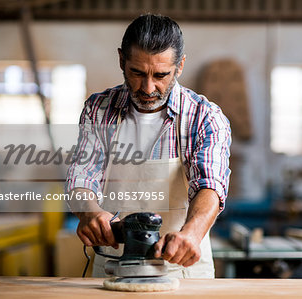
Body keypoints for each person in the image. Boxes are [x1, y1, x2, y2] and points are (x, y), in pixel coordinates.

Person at [65, 14, 231, 278]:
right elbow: (82, 176)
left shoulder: (204, 116)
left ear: (180, 66)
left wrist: (192, 234)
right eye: (137, 72)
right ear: (122, 60)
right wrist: (89, 212)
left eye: (161, 75)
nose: (148, 87)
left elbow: (210, 184)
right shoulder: (99, 109)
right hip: (113, 266)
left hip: (183, 268)